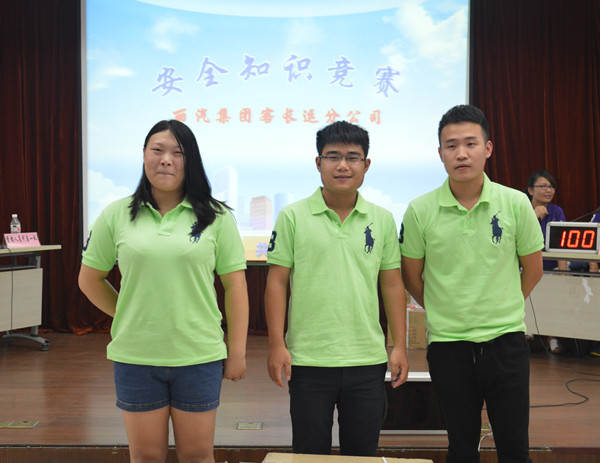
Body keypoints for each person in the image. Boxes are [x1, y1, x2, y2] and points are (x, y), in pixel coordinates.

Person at [79, 120, 249, 463]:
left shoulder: (216, 217)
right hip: (136, 356)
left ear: (191, 160)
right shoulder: (116, 214)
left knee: (197, 455)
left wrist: (238, 352)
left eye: (177, 152)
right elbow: (90, 279)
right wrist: (129, 313)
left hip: (199, 355)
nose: (166, 159)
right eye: (157, 150)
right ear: (144, 155)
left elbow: (235, 287)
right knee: (145, 456)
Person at [400, 105, 544, 463]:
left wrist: (504, 302)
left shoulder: (515, 203)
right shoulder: (420, 210)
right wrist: (443, 307)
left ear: (488, 148)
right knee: (461, 449)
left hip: (506, 342)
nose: (461, 153)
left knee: (515, 450)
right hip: (448, 346)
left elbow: (533, 268)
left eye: (470, 143)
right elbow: (411, 275)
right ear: (440, 153)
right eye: (451, 146)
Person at [265, 120, 409, 456]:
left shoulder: (382, 219)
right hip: (308, 360)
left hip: (366, 359)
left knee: (361, 453)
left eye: (352, 157)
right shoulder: (292, 216)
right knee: (309, 453)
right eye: (333, 156)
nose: (343, 165)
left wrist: (400, 346)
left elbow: (392, 284)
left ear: (366, 165)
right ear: (318, 163)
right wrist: (276, 344)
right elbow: (277, 282)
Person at [525, 170, 567, 353]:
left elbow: (562, 246)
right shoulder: (522, 209)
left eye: (551, 187)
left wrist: (563, 274)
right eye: (543, 186)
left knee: (555, 294)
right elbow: (520, 239)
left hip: (550, 268)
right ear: (530, 190)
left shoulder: (557, 211)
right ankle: (527, 330)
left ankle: (552, 337)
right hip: (525, 267)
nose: (548, 190)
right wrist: (535, 217)